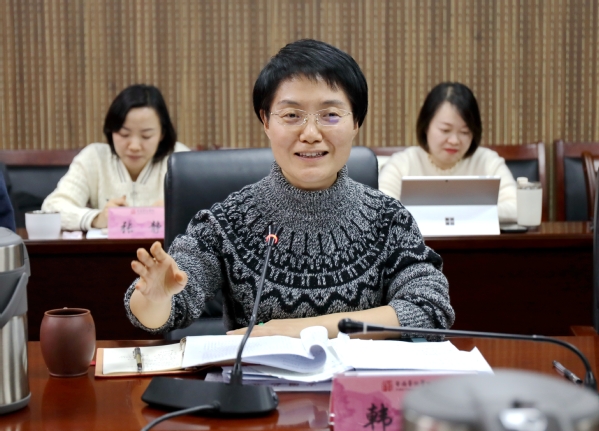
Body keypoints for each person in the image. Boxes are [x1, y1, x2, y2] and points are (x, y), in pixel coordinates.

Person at [124, 39, 455, 339]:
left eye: (330, 115)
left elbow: (431, 308)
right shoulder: (228, 222)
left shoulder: (388, 219)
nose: (310, 133)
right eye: (292, 115)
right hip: (259, 387)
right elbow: (162, 310)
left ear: (356, 122)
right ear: (266, 121)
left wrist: (299, 330)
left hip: (358, 385)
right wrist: (155, 299)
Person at [41, 84, 189, 231]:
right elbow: (52, 208)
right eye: (124, 134)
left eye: (146, 135)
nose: (134, 146)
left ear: (162, 133)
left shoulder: (180, 159)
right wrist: (97, 218)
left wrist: (177, 212)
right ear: (111, 130)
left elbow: (202, 210)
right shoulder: (94, 158)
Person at [379, 82, 517, 223]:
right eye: (445, 130)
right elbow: (382, 212)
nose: (454, 141)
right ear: (426, 126)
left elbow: (516, 208)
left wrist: (451, 213)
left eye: (464, 132)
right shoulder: (402, 163)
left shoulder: (487, 161)